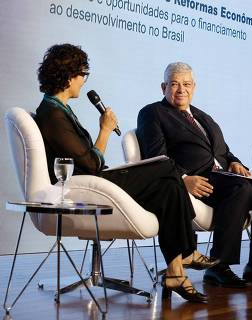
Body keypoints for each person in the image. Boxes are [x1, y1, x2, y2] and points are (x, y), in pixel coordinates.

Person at [35, 44, 218, 303]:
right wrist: (105, 129)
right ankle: (187, 250)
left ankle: (176, 272)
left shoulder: (59, 109)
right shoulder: (52, 114)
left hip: (92, 179)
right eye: (82, 75)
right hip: (82, 186)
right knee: (166, 166)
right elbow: (90, 162)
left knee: (167, 187)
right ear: (68, 77)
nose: (83, 82)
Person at [136, 62, 252, 288]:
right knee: (241, 188)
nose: (181, 90)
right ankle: (219, 266)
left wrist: (235, 162)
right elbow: (157, 157)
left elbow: (223, 151)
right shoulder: (153, 113)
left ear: (194, 87)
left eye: (186, 84)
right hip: (197, 178)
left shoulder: (203, 116)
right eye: (175, 84)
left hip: (224, 175)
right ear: (163, 87)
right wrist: (183, 180)